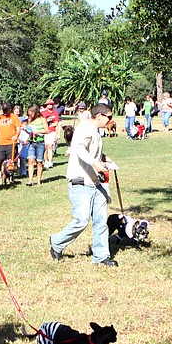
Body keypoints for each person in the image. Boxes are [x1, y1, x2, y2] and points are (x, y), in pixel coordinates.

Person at [49, 103, 118, 267]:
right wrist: (95, 164)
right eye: (109, 117)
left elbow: (93, 152)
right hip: (80, 181)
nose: (111, 120)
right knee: (82, 220)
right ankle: (57, 242)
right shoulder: (85, 129)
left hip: (96, 183)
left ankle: (101, 257)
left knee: (101, 221)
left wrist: (106, 160)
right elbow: (79, 149)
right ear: (99, 116)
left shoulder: (95, 131)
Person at [0, 102, 20, 185]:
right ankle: (1, 174)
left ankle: (10, 177)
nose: (5, 112)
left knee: (10, 162)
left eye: (6, 110)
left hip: (11, 143)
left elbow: (18, 128)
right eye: (4, 110)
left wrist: (16, 135)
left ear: (10, 109)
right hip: (1, 143)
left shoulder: (14, 117)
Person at [24, 104, 49, 186]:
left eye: (31, 112)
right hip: (31, 142)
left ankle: (38, 181)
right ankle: (30, 181)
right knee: (30, 161)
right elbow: (28, 130)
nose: (29, 114)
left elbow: (47, 130)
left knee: (39, 162)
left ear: (35, 111)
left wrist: (37, 131)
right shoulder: (30, 119)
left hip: (40, 142)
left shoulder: (42, 119)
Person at [41, 98, 60, 169]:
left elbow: (56, 123)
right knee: (45, 147)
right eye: (48, 104)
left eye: (51, 104)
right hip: (45, 132)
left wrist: (51, 125)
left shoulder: (55, 113)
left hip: (52, 131)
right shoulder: (43, 113)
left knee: (50, 146)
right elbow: (42, 122)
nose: (49, 106)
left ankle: (50, 161)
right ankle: (45, 161)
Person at [14, 104, 29, 177]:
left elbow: (26, 128)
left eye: (18, 111)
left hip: (21, 140)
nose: (16, 113)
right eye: (15, 111)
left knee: (22, 157)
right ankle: (13, 170)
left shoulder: (22, 119)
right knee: (14, 157)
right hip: (13, 140)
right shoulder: (11, 118)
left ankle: (23, 171)